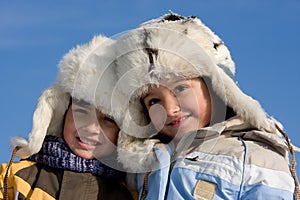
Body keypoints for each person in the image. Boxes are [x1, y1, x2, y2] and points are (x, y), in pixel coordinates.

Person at [113, 13, 299, 199]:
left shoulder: (257, 159)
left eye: (180, 88)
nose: (169, 110)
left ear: (216, 88)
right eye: (154, 101)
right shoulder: (141, 164)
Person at [0, 35, 134, 200]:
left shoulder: (131, 194)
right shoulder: (14, 177)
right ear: (62, 112)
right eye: (81, 112)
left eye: (108, 120)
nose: (90, 128)